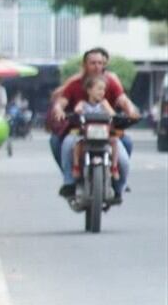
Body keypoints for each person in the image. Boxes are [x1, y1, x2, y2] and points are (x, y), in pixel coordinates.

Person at [51, 47, 140, 201]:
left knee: (126, 149)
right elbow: (61, 103)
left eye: (100, 63)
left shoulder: (111, 82)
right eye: (93, 63)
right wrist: (59, 110)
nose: (97, 66)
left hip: (107, 132)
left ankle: (118, 185)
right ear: (85, 64)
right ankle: (70, 182)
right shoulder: (74, 84)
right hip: (79, 131)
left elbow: (123, 101)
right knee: (64, 144)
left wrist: (131, 111)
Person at [70, 75, 121, 181]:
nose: (102, 92)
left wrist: (108, 110)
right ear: (89, 90)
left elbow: (113, 114)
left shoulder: (104, 103)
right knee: (77, 142)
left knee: (115, 141)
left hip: (103, 134)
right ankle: (76, 166)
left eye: (103, 89)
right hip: (87, 134)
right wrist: (78, 111)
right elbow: (77, 110)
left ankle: (114, 167)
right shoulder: (83, 104)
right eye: (99, 89)